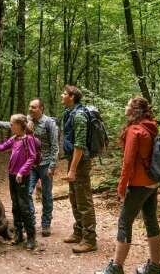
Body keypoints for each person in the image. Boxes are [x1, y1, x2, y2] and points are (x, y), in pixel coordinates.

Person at [96, 96, 160, 274]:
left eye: (128, 104)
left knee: (124, 222)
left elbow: (128, 162)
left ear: (134, 110)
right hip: (152, 182)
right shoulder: (151, 127)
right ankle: (154, 267)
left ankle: (116, 267)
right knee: (151, 221)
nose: (125, 107)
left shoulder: (134, 130)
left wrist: (121, 186)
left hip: (138, 184)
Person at [0, 98, 60, 236]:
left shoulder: (49, 123)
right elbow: (10, 125)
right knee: (27, 193)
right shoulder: (27, 120)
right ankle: (31, 222)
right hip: (31, 165)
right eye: (29, 106)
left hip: (45, 163)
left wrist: (52, 165)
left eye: (33, 107)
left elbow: (55, 146)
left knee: (46, 194)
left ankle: (46, 224)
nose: (30, 109)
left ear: (41, 108)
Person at [0, 114, 41, 251]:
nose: (10, 126)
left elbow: (32, 157)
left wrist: (21, 171)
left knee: (24, 206)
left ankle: (31, 237)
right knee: (15, 206)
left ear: (20, 125)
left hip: (22, 177)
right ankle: (18, 235)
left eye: (12, 124)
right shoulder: (15, 138)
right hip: (12, 176)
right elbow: (1, 148)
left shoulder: (28, 139)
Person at [60, 85, 97, 253]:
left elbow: (80, 145)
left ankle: (89, 240)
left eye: (64, 93)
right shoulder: (70, 113)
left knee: (83, 201)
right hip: (73, 161)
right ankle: (79, 231)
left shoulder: (80, 116)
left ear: (72, 97)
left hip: (80, 162)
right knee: (74, 198)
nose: (62, 95)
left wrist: (73, 169)